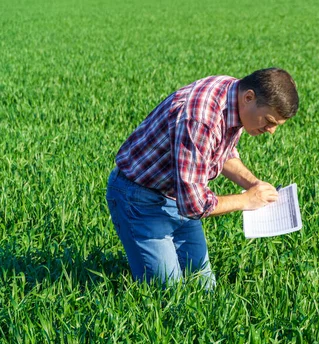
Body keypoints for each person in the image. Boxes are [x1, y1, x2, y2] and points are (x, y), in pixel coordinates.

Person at [105, 68, 299, 288]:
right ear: (249, 97)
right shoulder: (201, 118)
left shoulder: (234, 95)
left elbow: (220, 153)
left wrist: (253, 184)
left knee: (203, 289)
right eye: (269, 121)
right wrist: (246, 200)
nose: (271, 130)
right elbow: (195, 205)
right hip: (139, 199)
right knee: (167, 293)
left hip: (176, 195)